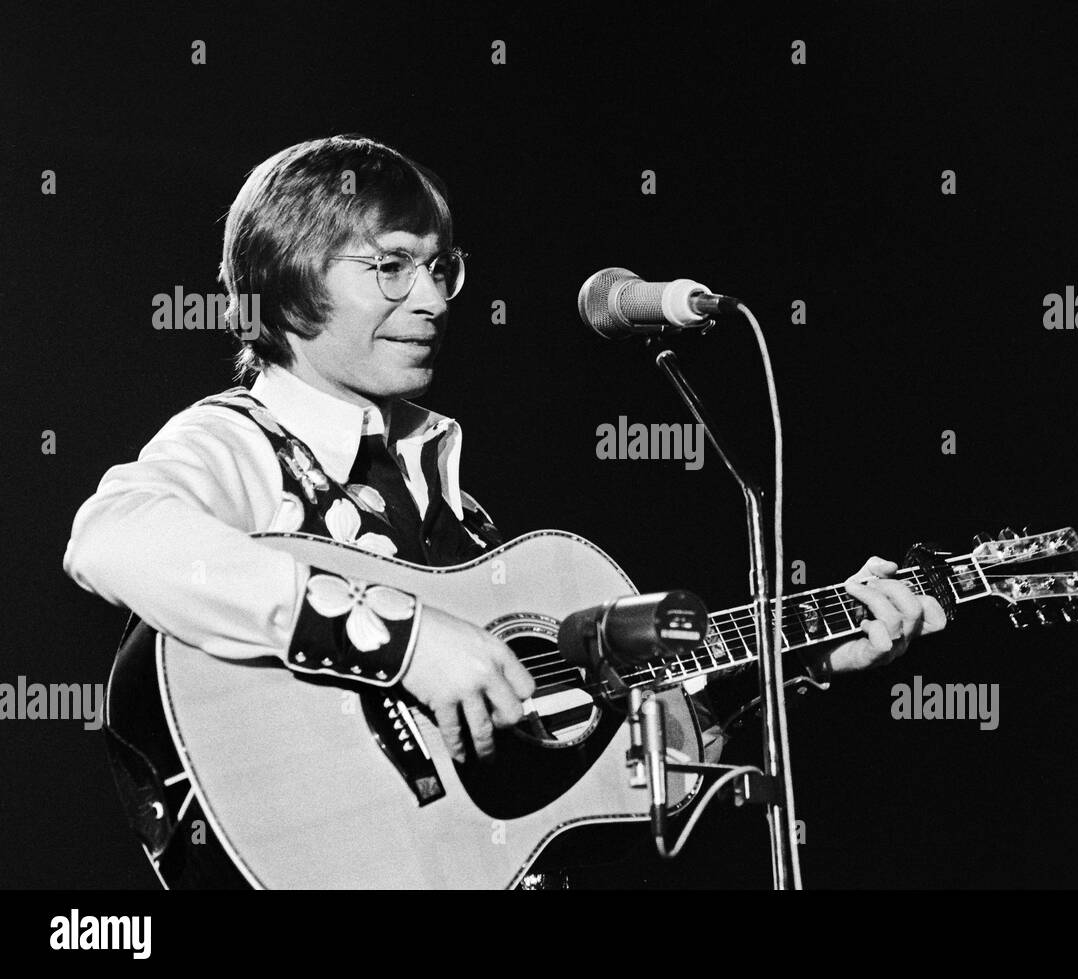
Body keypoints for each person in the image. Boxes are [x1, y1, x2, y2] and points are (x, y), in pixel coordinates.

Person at [64, 133, 947, 886]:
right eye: (391, 266)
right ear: (287, 281)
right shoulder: (242, 440)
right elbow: (112, 536)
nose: (434, 297)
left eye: (440, 267)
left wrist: (799, 662)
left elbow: (618, 768)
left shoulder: (457, 512)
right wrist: (401, 640)